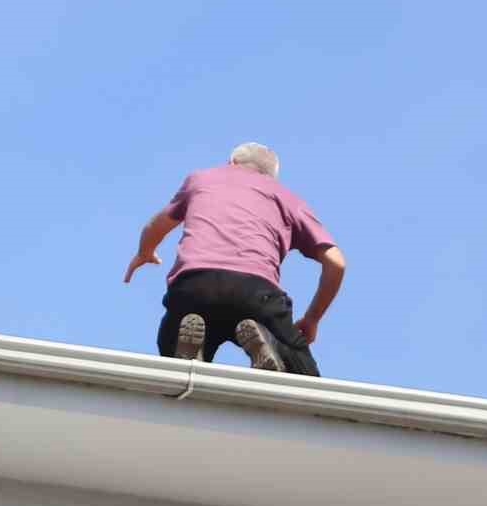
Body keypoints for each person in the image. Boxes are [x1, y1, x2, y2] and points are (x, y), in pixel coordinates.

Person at [122, 142, 346, 376]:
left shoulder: (200, 179)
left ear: (231, 162)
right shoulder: (286, 198)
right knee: (303, 376)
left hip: (193, 286)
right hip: (254, 293)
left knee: (171, 351)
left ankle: (187, 359)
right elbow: (336, 263)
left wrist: (144, 252)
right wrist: (312, 319)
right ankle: (268, 343)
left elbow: (155, 225)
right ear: (271, 176)